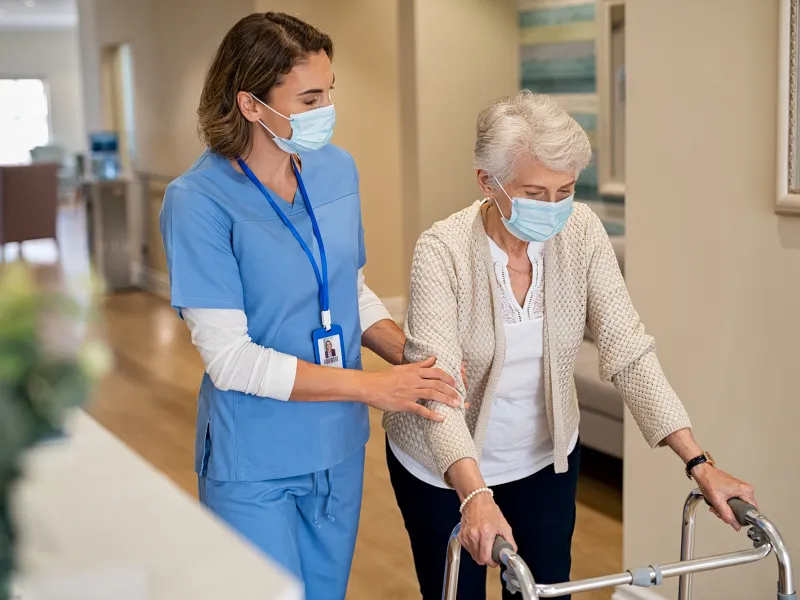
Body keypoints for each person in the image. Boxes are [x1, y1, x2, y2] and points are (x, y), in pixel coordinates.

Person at [382, 91, 757, 600]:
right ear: (486, 182)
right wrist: (474, 493)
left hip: (542, 460)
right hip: (442, 470)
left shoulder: (581, 232)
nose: (554, 209)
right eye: (535, 192)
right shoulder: (441, 250)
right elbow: (437, 389)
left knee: (545, 591)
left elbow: (628, 348)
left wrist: (698, 462)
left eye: (566, 190)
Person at [159, 13, 460, 600]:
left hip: (336, 448)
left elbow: (348, 287)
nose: (327, 109)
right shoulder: (197, 201)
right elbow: (230, 360)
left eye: (329, 92)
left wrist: (414, 357)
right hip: (254, 459)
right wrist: (374, 387)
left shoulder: (335, 169)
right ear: (250, 104)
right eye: (310, 97)